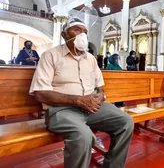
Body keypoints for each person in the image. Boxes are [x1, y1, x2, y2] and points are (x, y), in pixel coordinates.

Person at [29, 17, 134, 168]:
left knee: (126, 122)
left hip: (92, 107)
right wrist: (78, 100)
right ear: (64, 35)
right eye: (77, 30)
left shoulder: (90, 58)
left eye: (85, 32)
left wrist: (100, 95)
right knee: (83, 136)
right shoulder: (50, 56)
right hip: (62, 110)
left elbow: (100, 86)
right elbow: (40, 93)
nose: (82, 35)